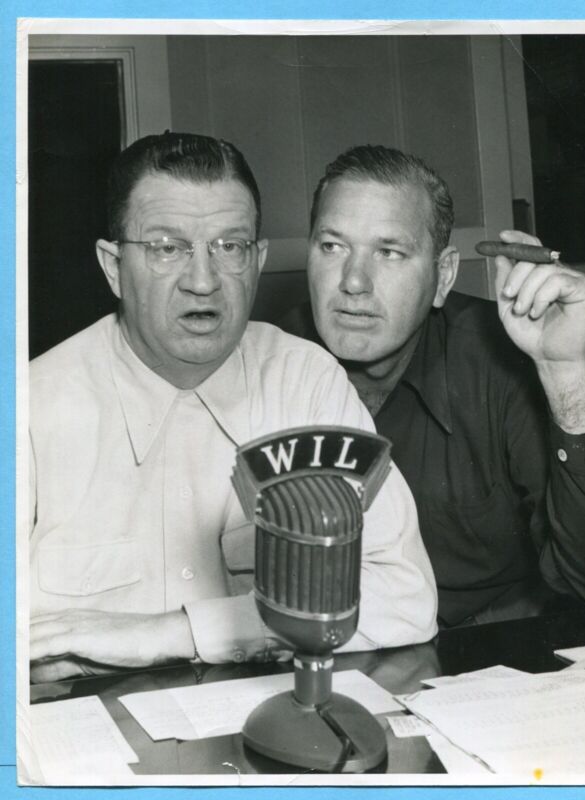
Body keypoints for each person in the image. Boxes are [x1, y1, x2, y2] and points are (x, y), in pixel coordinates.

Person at [29, 133, 438, 683]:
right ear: (111, 266)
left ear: (259, 259)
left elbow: (404, 596)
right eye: (167, 247)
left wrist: (173, 634)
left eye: (230, 246)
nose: (203, 281)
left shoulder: (305, 381)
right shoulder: (30, 408)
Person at [281, 144, 585, 627]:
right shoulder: (270, 363)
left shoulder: (499, 359)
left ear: (443, 276)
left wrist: (563, 370)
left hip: (485, 661)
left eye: (390, 252)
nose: (353, 282)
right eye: (332, 247)